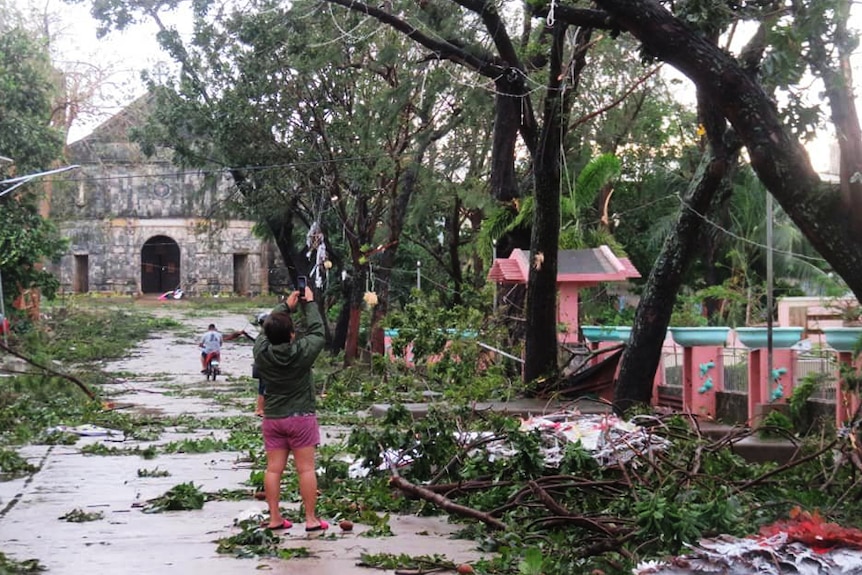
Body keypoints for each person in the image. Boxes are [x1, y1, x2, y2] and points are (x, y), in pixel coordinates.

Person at [253, 286, 327, 532]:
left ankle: (275, 518)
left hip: (273, 418)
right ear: (293, 335)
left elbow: (265, 331)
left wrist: (285, 306)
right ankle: (310, 519)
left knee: (274, 469)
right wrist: (309, 304)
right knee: (305, 468)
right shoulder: (302, 353)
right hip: (300, 417)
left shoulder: (262, 352)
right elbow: (318, 332)